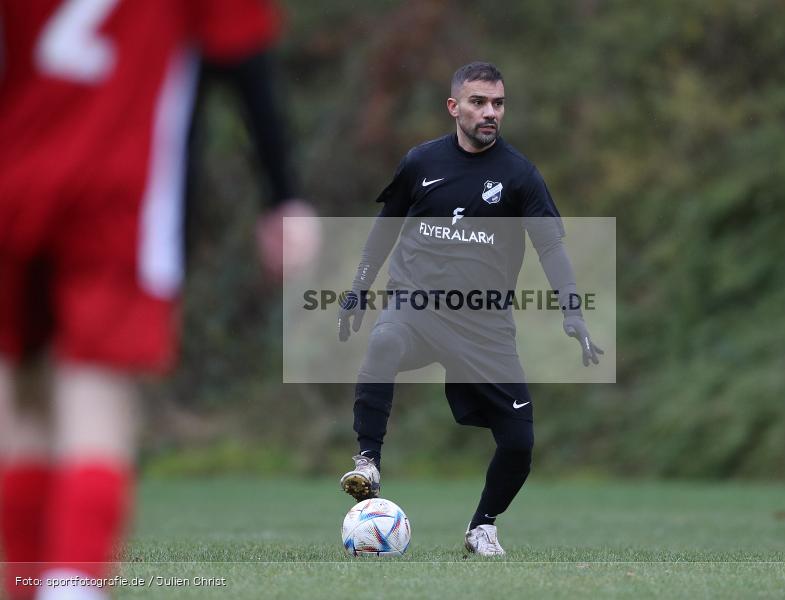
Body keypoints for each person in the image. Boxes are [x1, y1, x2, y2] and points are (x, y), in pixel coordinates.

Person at [0, 1, 318, 599]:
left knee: (22, 403)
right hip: (118, 198)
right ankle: (72, 588)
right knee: (93, 398)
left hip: (11, 185)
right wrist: (282, 192)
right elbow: (243, 56)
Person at [336, 62, 601, 556]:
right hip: (417, 305)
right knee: (384, 339)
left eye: (498, 103)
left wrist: (573, 311)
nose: (490, 113)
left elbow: (551, 248)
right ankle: (368, 460)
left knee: (519, 443)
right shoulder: (420, 163)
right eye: (479, 102)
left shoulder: (519, 176)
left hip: (485, 324)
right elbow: (384, 229)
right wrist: (359, 287)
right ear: (454, 107)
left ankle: (482, 526)